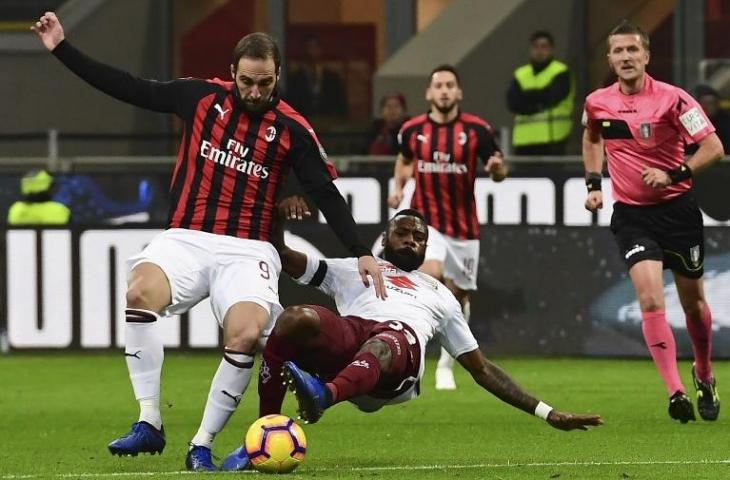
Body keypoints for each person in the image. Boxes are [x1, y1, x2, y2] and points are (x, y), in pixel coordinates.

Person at [31, 12, 385, 471]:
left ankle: (201, 444)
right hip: (187, 237)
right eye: (247, 82)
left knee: (245, 332)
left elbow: (325, 191)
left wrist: (359, 250)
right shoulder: (199, 98)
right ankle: (149, 422)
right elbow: (129, 87)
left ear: (277, 76)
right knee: (138, 293)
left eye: (265, 83)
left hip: (249, 249)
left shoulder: (293, 128)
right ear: (233, 73)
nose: (255, 92)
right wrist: (62, 47)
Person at [220, 208, 603, 470]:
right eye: (402, 233)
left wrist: (547, 412)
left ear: (425, 247)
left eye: (419, 237)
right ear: (385, 238)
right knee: (294, 318)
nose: (411, 240)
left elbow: (482, 369)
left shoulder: (439, 294)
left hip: (394, 367)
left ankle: (324, 396)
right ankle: (260, 437)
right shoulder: (356, 270)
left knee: (391, 337)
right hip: (350, 347)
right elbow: (284, 256)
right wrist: (273, 212)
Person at [582, 20, 724, 423]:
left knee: (693, 305)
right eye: (618, 51)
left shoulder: (675, 100)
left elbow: (713, 147)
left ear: (646, 56)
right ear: (609, 58)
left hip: (678, 213)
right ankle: (675, 391)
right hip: (631, 215)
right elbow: (591, 138)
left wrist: (674, 174)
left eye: (632, 50)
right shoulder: (597, 102)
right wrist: (594, 183)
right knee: (648, 298)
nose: (625, 57)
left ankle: (704, 373)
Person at [387, 64, 507, 391]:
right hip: (428, 224)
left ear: (458, 92)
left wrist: (497, 169)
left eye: (449, 85)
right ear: (428, 92)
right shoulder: (413, 129)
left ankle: (447, 362)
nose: (443, 90)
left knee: (460, 295)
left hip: (465, 228)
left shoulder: (477, 130)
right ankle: (416, 356)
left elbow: (497, 170)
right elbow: (405, 159)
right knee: (430, 276)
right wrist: (397, 188)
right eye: (438, 85)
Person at [507, 31, 574, 155]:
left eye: (544, 47)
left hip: (553, 140)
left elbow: (552, 98)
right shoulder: (520, 74)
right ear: (530, 49)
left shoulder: (560, 71)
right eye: (536, 46)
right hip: (524, 142)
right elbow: (513, 103)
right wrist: (539, 100)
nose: (539, 51)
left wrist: (527, 97)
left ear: (551, 49)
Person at [285, 35, 348, 119]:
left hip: (328, 125)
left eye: (314, 47)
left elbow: (341, 106)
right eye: (308, 48)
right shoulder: (295, 79)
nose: (311, 52)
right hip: (303, 126)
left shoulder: (332, 78)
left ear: (320, 49)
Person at [686, 84, 730, 153]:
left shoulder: (726, 123)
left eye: (710, 103)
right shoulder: (690, 122)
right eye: (703, 103)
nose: (706, 107)